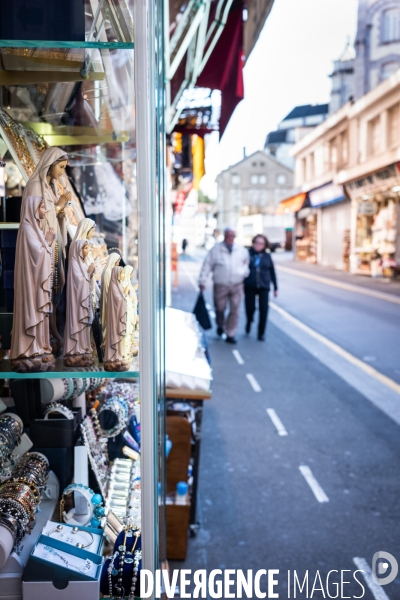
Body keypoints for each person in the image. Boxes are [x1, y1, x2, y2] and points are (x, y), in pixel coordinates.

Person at [199, 228, 249, 344]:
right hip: (220, 285)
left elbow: (245, 265)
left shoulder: (241, 250)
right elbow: (207, 265)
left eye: (232, 235)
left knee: (235, 310)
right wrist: (202, 281)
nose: (230, 237)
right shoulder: (216, 250)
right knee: (220, 308)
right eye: (228, 235)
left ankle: (230, 333)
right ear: (225, 236)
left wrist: (243, 273)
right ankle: (220, 324)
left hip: (237, 285)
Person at [244, 234, 278, 341]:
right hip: (250, 285)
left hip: (264, 286)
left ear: (265, 245)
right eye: (257, 243)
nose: (259, 245)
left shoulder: (267, 256)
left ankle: (261, 333)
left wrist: (276, 288)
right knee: (250, 308)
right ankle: (249, 321)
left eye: (261, 243)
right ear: (253, 243)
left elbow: (272, 272)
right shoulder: (247, 254)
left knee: (264, 310)